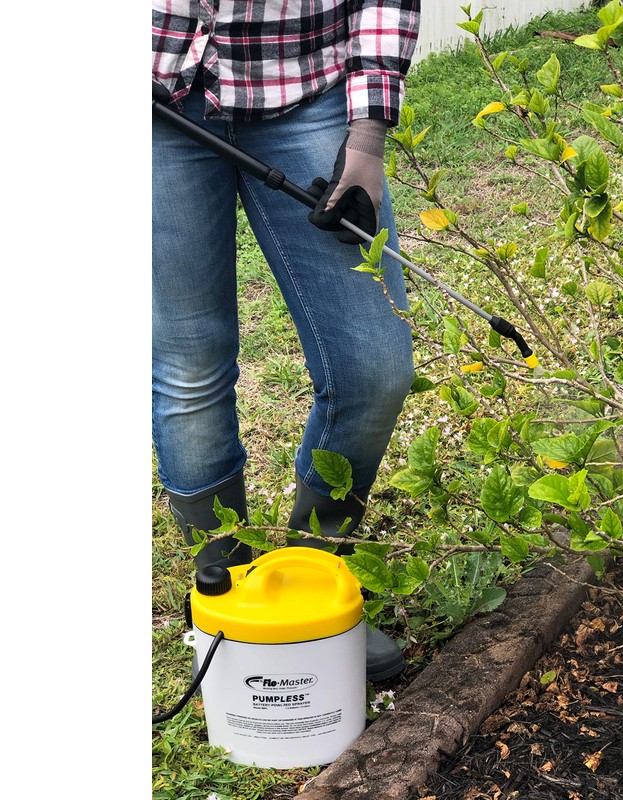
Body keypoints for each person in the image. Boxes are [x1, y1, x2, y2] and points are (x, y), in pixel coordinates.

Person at [152, 0, 421, 682]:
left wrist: (365, 141)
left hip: (309, 89)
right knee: (190, 362)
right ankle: (225, 583)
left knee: (375, 365)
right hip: (153, 98)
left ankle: (312, 570)